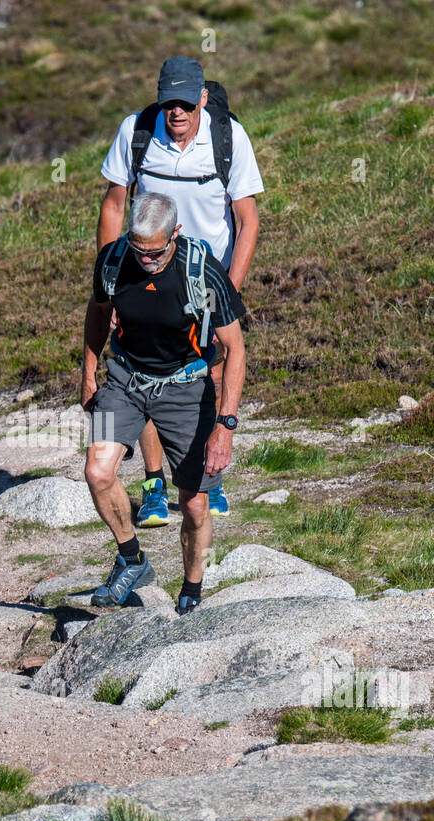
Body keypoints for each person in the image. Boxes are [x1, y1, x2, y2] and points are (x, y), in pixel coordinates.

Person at [97, 55, 263, 526]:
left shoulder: (229, 137)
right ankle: (153, 484)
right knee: (142, 371)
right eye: (169, 103)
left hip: (204, 280)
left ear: (202, 100)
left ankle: (205, 474)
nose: (177, 113)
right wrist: (112, 283)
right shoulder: (136, 132)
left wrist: (227, 291)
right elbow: (113, 206)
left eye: (186, 104)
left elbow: (247, 220)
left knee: (206, 376)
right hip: (143, 271)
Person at [82, 192, 246, 615]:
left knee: (193, 503)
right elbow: (98, 312)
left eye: (156, 253)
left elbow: (235, 348)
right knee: (97, 471)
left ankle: (192, 587)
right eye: (140, 250)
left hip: (187, 388)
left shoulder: (203, 270)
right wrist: (87, 373)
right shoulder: (114, 260)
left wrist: (225, 426)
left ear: (175, 233)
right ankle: (132, 559)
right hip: (124, 378)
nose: (147, 261)